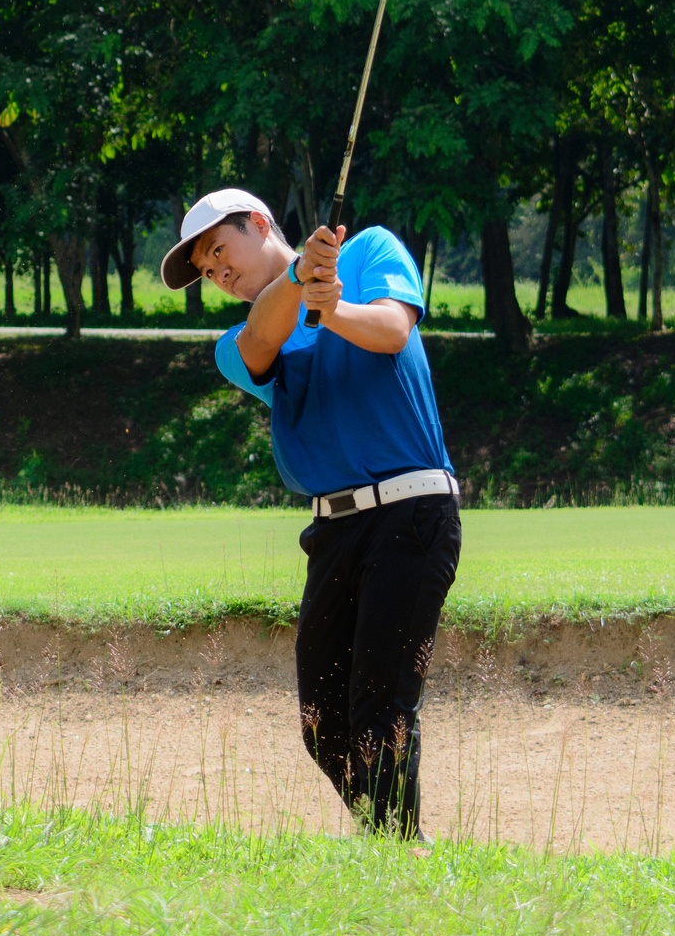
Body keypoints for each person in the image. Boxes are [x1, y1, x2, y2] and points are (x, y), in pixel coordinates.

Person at [159, 187, 460, 838]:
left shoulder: (371, 249)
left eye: (220, 250)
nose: (219, 272)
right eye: (208, 272)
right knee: (322, 722)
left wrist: (335, 304)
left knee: (380, 707)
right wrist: (301, 283)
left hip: (412, 510)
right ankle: (397, 844)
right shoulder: (237, 341)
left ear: (260, 223)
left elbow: (392, 330)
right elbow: (265, 337)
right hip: (334, 530)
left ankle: (398, 855)